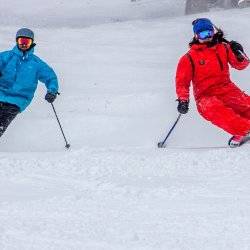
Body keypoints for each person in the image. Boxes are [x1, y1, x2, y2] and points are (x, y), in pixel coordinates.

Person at [175, 18, 250, 147]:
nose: (206, 37)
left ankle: (243, 130)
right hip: (205, 96)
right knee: (216, 110)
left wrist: (239, 54)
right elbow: (182, 81)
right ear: (196, 36)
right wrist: (183, 100)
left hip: (227, 89)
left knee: (245, 105)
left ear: (213, 32)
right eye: (202, 35)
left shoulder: (224, 48)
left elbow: (240, 65)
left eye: (209, 33)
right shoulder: (189, 58)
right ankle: (244, 129)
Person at [0, 28, 59, 138]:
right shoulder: (6, 57)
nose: (24, 45)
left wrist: (52, 91)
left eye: (27, 42)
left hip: (18, 99)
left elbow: (50, 77)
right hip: (1, 94)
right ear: (17, 41)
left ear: (32, 43)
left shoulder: (36, 64)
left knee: (1, 123)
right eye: (21, 41)